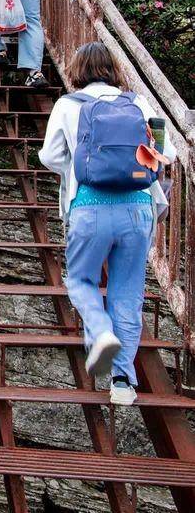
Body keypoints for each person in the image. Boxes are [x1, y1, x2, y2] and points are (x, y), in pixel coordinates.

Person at [38, 42, 176, 406]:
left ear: (77, 69)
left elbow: (51, 156)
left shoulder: (68, 106)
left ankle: (99, 333)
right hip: (137, 209)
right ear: (113, 69)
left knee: (81, 281)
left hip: (89, 207)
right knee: (127, 296)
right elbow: (168, 153)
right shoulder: (138, 104)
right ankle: (122, 383)